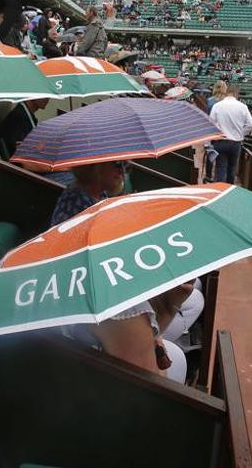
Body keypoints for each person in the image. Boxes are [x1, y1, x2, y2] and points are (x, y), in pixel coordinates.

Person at [51, 161, 189, 383]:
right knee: (178, 354)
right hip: (93, 322)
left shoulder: (100, 196)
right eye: (116, 164)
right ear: (94, 167)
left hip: (111, 311)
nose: (122, 170)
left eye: (124, 165)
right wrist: (169, 306)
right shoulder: (77, 203)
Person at [209, 85, 252, 184]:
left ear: (226, 92)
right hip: (235, 143)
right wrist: (241, 133)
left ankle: (221, 189)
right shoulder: (243, 106)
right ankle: (229, 189)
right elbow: (251, 125)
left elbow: (210, 124)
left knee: (221, 167)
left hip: (220, 141)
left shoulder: (217, 105)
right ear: (236, 93)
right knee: (232, 168)